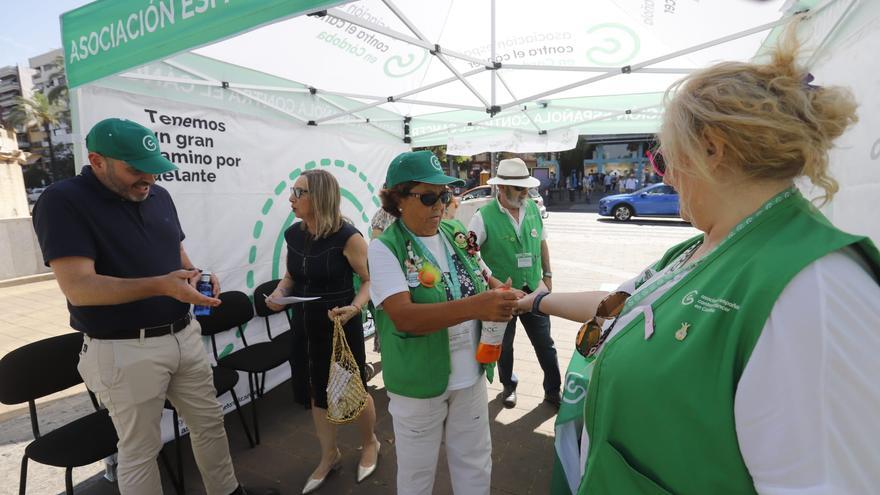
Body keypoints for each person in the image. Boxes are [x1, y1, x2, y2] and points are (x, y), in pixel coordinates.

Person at [518, 26, 880, 494]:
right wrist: (537, 302)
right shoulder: (706, 246)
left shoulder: (815, 288)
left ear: (711, 148)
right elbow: (619, 307)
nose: (665, 180)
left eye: (665, 161)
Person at [31, 118, 277, 495]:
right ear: (97, 161)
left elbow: (176, 253)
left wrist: (193, 274)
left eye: (154, 170)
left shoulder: (158, 194)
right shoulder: (63, 201)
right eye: (135, 170)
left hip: (184, 335)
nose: (148, 179)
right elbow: (80, 287)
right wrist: (161, 286)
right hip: (123, 349)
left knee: (210, 423)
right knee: (141, 450)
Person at [368, 150, 521, 495]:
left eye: (445, 195)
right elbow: (405, 318)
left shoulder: (455, 233)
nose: (440, 205)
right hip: (419, 383)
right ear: (397, 200)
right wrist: (478, 306)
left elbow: (487, 278)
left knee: (476, 461)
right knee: (417, 475)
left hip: (470, 373)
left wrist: (508, 296)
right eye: (428, 196)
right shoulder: (383, 249)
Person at [263, 170, 377, 493]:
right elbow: (290, 276)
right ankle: (330, 455)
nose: (291, 199)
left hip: (340, 325)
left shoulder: (349, 237)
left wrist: (354, 308)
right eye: (292, 191)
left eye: (298, 193)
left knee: (354, 388)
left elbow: (369, 280)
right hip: (304, 325)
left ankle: (370, 443)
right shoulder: (294, 235)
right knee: (317, 390)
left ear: (320, 197)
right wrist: (279, 295)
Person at [468, 158, 561, 409]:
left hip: (534, 288)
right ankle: (508, 386)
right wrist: (494, 282)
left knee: (545, 344)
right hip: (503, 295)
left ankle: (553, 390)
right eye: (519, 189)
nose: (525, 193)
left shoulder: (531, 208)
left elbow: (542, 242)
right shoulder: (482, 216)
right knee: (504, 346)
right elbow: (470, 253)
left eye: (526, 188)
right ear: (502, 188)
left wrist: (548, 276)